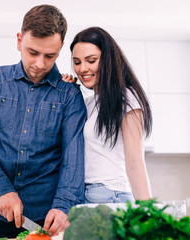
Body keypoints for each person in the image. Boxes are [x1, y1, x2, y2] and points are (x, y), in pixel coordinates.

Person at [0, 4, 87, 239]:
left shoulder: (69, 94)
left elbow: (73, 158)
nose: (40, 64)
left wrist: (64, 206)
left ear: (61, 48)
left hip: (46, 220)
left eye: (50, 55)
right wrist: (1, 189)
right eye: (33, 52)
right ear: (19, 40)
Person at [62, 26, 152, 204]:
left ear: (108, 60)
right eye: (77, 62)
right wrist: (65, 93)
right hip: (83, 196)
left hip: (110, 196)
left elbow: (135, 164)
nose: (82, 69)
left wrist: (149, 214)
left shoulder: (127, 98)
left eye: (91, 60)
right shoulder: (88, 103)